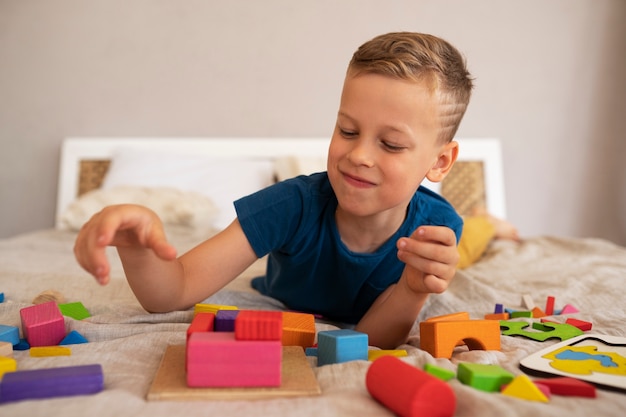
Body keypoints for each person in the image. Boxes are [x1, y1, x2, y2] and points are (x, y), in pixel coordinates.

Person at [74, 32, 474, 349]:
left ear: (439, 162)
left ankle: (489, 229)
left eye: (390, 144)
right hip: (280, 296)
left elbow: (370, 342)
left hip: (423, 263)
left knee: (468, 247)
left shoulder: (437, 228)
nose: (359, 155)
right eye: (347, 131)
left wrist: (412, 290)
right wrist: (136, 246)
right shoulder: (291, 205)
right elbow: (172, 291)